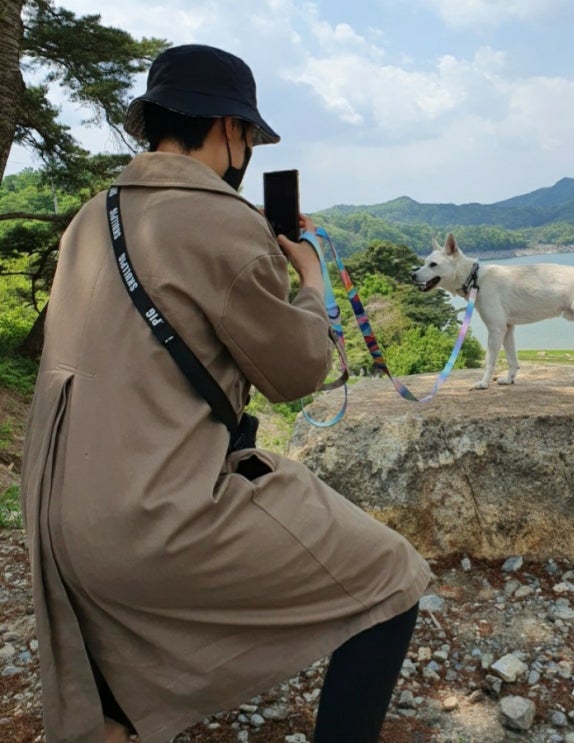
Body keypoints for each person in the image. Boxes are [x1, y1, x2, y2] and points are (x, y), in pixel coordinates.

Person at [21, 44, 431, 743]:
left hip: (55, 517)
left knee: (116, 675)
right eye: (249, 136)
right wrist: (309, 282)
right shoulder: (223, 219)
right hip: (154, 519)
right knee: (391, 577)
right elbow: (297, 374)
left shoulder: (92, 217)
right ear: (228, 126)